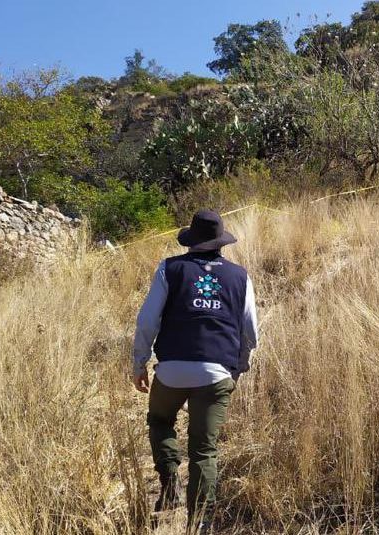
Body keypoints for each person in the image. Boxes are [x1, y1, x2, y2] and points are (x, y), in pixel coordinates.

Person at [132, 209, 258, 534]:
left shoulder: (170, 269)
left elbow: (147, 322)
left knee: (160, 420)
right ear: (221, 243)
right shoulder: (240, 276)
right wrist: (238, 367)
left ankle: (170, 485)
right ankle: (200, 524)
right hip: (217, 373)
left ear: (190, 241)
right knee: (204, 451)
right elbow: (251, 333)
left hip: (171, 370)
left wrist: (139, 364)